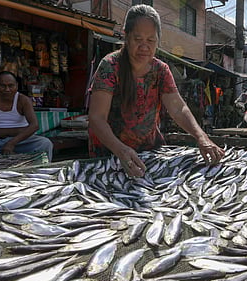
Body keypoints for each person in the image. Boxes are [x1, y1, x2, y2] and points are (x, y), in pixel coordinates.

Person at [88, 4, 224, 177]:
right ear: (126, 36)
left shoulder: (161, 70)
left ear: (158, 40)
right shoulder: (110, 66)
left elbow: (178, 108)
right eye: (138, 39)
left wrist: (201, 137)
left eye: (150, 40)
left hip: (149, 154)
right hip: (109, 155)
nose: (144, 46)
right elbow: (96, 118)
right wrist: (121, 150)